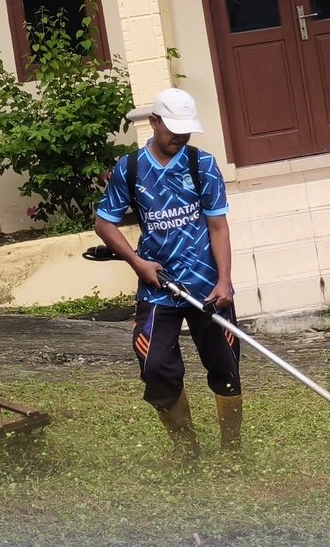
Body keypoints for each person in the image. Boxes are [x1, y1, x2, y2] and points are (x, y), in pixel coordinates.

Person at [94, 87, 241, 456]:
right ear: (154, 122)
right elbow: (104, 223)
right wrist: (137, 262)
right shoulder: (129, 169)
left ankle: (232, 447)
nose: (180, 135)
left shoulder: (202, 165)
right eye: (172, 127)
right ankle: (186, 447)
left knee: (225, 365)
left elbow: (218, 227)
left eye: (186, 129)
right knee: (155, 365)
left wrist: (224, 281)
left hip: (207, 287)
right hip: (159, 287)